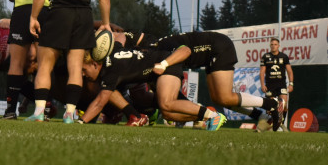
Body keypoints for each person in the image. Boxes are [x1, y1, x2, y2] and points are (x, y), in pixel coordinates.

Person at [79, 36, 228, 130]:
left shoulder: (110, 71)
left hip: (166, 63)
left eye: (84, 70)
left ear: (94, 64)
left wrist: (81, 122)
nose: (83, 75)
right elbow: (118, 36)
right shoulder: (112, 51)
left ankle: (212, 115)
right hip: (160, 67)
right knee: (168, 114)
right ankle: (204, 115)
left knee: (167, 103)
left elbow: (99, 102)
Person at [150, 31, 282, 130]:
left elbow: (185, 51)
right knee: (218, 99)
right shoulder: (157, 48)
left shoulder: (158, 52)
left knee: (225, 97)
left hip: (219, 47)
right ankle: (261, 116)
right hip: (210, 53)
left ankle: (272, 103)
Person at [1, 0, 50, 119]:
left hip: (21, 10)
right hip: (45, 10)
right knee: (43, 64)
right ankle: (42, 111)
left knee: (16, 63)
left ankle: (9, 110)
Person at [260, 37, 294, 126]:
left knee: (284, 105)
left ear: (279, 46)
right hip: (270, 85)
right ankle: (273, 123)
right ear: (270, 46)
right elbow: (262, 72)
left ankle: (281, 123)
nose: (273, 46)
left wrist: (291, 84)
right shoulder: (266, 57)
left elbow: (289, 71)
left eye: (275, 44)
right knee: (270, 108)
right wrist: (262, 84)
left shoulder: (284, 56)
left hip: (281, 85)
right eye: (272, 44)